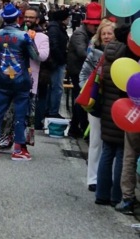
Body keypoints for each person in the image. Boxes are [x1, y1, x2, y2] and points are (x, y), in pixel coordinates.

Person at [0, 3, 38, 160]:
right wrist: (31, 39)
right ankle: (18, 149)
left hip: (4, 77)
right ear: (17, 18)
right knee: (20, 113)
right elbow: (35, 55)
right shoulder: (23, 35)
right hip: (22, 78)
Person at [95, 25, 137, 207]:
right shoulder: (129, 56)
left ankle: (101, 194)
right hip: (125, 109)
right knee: (122, 152)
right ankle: (117, 196)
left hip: (108, 108)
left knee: (107, 151)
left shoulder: (107, 53)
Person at [78, 18, 116, 192]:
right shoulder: (93, 53)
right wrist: (91, 90)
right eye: (104, 33)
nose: (107, 36)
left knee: (112, 143)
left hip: (114, 104)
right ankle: (92, 178)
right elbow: (83, 76)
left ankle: (110, 178)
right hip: (96, 103)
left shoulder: (121, 54)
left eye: (110, 33)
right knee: (95, 141)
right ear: (99, 35)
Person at [67, 2, 101, 138]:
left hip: (83, 71)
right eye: (95, 25)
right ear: (87, 24)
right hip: (78, 72)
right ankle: (78, 126)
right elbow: (82, 52)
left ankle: (75, 127)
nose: (96, 28)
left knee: (80, 100)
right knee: (80, 100)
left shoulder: (88, 34)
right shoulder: (79, 34)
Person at [45, 9, 69, 119]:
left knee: (54, 87)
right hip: (56, 62)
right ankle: (53, 111)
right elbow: (54, 45)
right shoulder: (55, 29)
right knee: (57, 87)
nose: (69, 20)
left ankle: (51, 110)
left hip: (57, 61)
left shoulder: (56, 27)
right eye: (67, 18)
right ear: (63, 19)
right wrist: (62, 59)